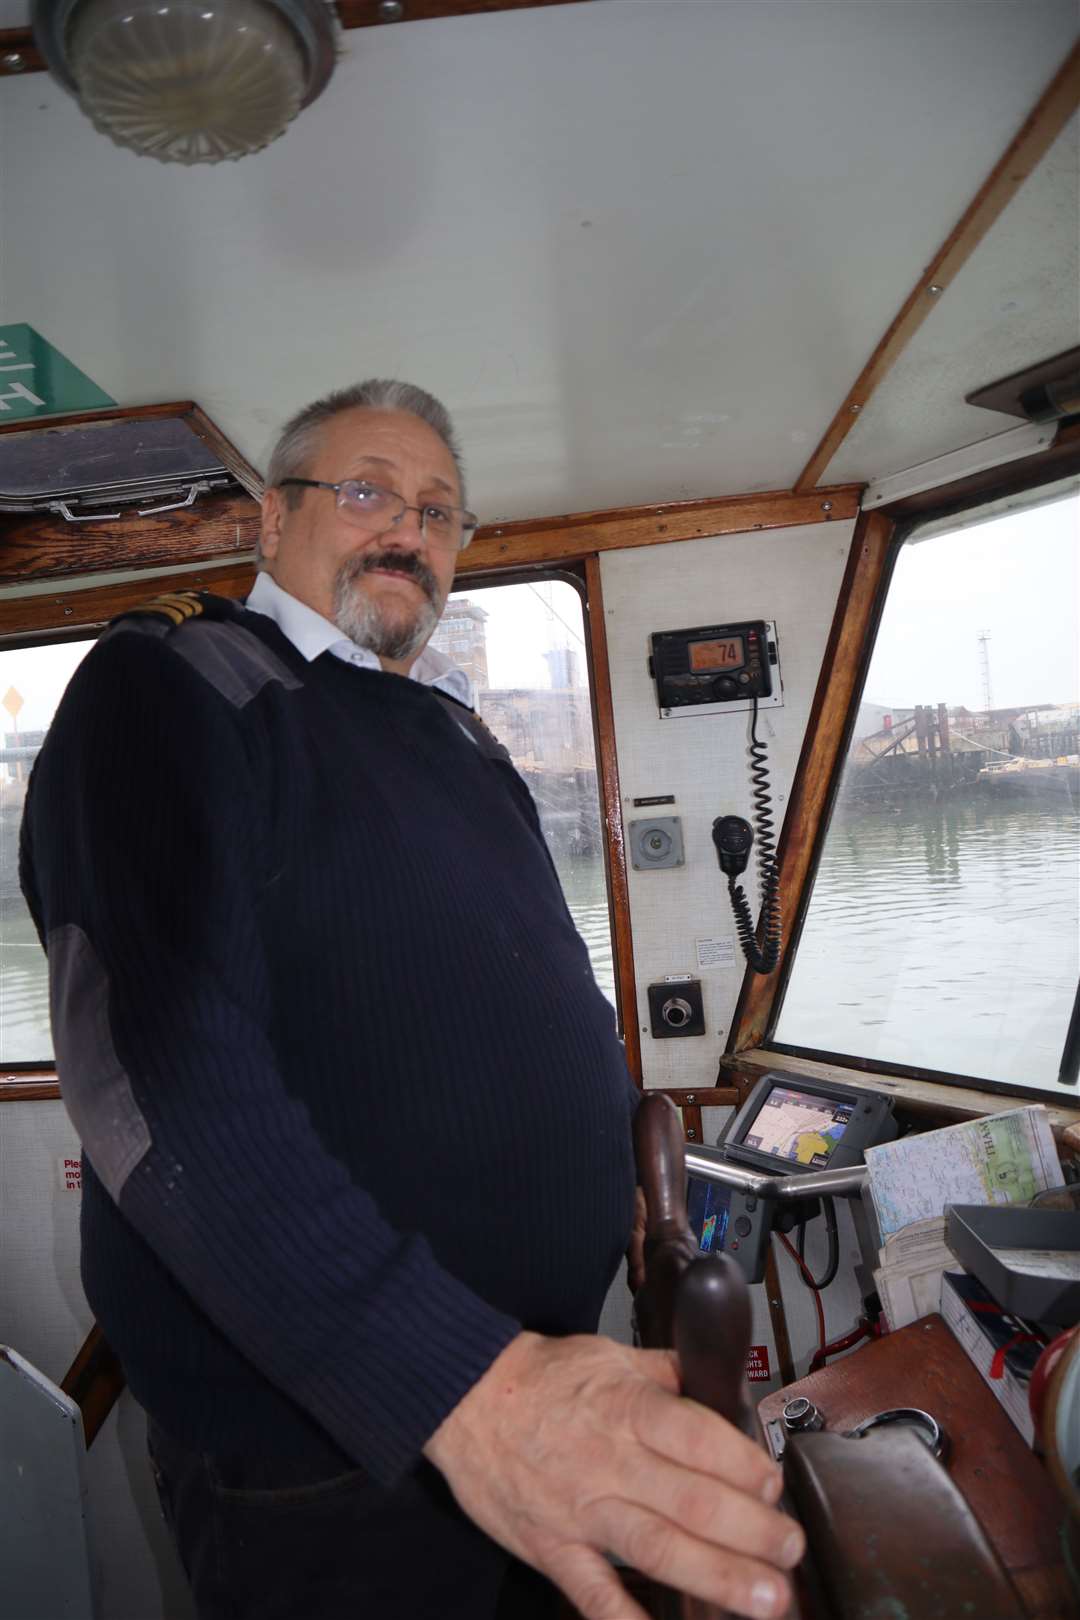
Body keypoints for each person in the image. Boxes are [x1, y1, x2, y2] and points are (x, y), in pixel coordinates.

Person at [20, 380, 803, 1620]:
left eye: (441, 513)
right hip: (335, 1454)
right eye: (369, 491)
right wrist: (462, 1389)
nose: (410, 532)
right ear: (271, 523)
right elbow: (162, 1080)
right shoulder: (167, 686)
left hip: (536, 1381)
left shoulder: (460, 738)